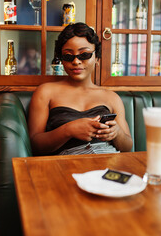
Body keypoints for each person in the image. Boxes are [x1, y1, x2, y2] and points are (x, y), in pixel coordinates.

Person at [28, 22, 133, 155]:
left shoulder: (111, 97)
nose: (76, 61)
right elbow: (36, 145)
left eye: (84, 55)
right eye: (68, 56)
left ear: (97, 59)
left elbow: (127, 147)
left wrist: (117, 133)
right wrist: (69, 130)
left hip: (109, 161)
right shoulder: (46, 92)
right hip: (68, 165)